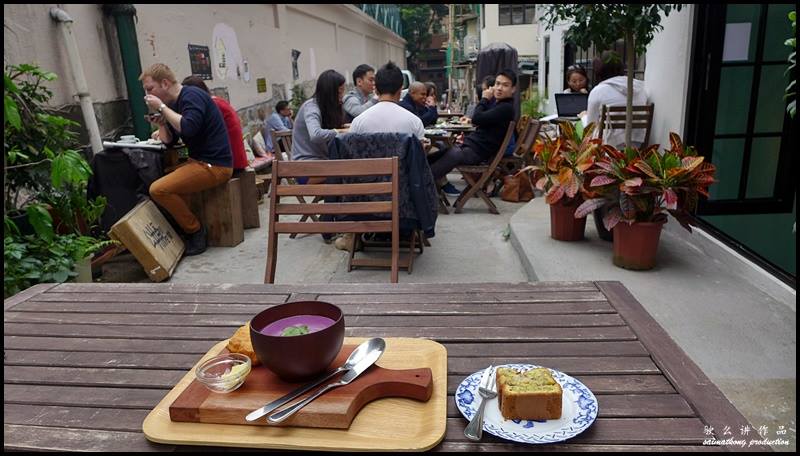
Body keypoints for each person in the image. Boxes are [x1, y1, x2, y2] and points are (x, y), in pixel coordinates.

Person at [140, 63, 232, 256]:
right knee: (162, 178)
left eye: (150, 89)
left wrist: (162, 107)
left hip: (215, 165)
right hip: (198, 162)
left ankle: (195, 231)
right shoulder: (175, 103)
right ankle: (183, 230)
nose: (148, 96)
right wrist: (163, 124)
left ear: (165, 83)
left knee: (158, 189)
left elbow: (189, 127)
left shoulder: (192, 96)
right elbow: (170, 141)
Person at [429, 69, 517, 185]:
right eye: (497, 84)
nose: (499, 88)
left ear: (513, 89)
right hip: (472, 148)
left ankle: (423, 183)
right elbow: (480, 120)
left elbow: (477, 118)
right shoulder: (498, 104)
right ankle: (423, 181)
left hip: (477, 153)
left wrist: (484, 98)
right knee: (440, 153)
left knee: (452, 154)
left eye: (505, 85)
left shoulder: (505, 108)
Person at [180, 75, 248, 177]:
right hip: (235, 159)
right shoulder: (217, 102)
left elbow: (194, 129)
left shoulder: (212, 105)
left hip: (229, 162)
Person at [584, 51, 648, 148]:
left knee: (582, 122)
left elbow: (590, 125)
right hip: (637, 141)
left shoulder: (598, 91)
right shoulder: (640, 87)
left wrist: (584, 117)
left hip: (609, 146)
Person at [350, 62, 426, 140]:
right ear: (400, 89)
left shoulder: (358, 122)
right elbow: (419, 150)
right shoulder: (415, 122)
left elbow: (350, 150)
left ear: (376, 90)